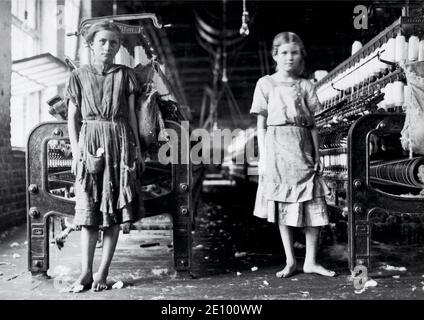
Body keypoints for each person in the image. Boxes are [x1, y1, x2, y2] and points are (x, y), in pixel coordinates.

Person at [66, 21, 144, 292]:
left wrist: (136, 149)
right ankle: (85, 272)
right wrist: (77, 152)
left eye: (113, 42)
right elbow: (72, 117)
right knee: (88, 211)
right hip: (89, 140)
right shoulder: (78, 76)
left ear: (119, 47)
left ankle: (102, 272)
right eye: (102, 41)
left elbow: (132, 115)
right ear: (91, 45)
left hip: (120, 142)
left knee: (113, 209)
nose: (108, 47)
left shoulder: (126, 75)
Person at [250, 32, 335, 278]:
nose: (289, 58)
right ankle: (290, 261)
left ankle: (310, 261)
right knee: (282, 204)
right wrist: (264, 157)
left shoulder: (307, 85)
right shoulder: (265, 83)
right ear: (275, 55)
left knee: (314, 203)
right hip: (276, 146)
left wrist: (318, 157)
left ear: (301, 56)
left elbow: (313, 126)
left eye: (294, 53)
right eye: (284, 52)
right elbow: (261, 124)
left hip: (303, 147)